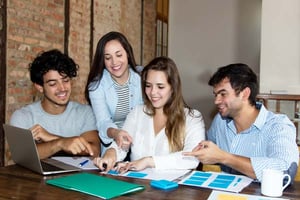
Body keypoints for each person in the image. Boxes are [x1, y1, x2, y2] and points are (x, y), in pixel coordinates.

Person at [184, 63, 299, 182]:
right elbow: (206, 146)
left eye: (223, 94)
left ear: (245, 94)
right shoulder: (220, 121)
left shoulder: (278, 126)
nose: (216, 101)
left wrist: (224, 157)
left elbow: (286, 170)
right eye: (216, 95)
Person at [93, 56, 206, 172]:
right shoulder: (137, 112)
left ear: (173, 88)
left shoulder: (192, 118)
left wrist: (148, 161)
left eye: (160, 87)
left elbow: (191, 158)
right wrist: (110, 154)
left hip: (174, 188)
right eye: (148, 86)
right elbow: (122, 144)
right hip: (139, 185)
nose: (153, 92)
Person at [10, 49, 101, 159]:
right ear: (40, 87)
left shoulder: (84, 112)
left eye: (66, 80)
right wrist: (60, 143)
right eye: (53, 84)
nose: (62, 88)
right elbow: (22, 155)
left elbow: (94, 151)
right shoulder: (23, 116)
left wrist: (51, 138)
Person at [85, 31, 143, 156]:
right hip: (113, 145)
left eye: (118, 55)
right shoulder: (96, 86)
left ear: (127, 53)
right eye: (108, 57)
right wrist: (116, 133)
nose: (114, 62)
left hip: (142, 142)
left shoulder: (143, 77)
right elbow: (103, 122)